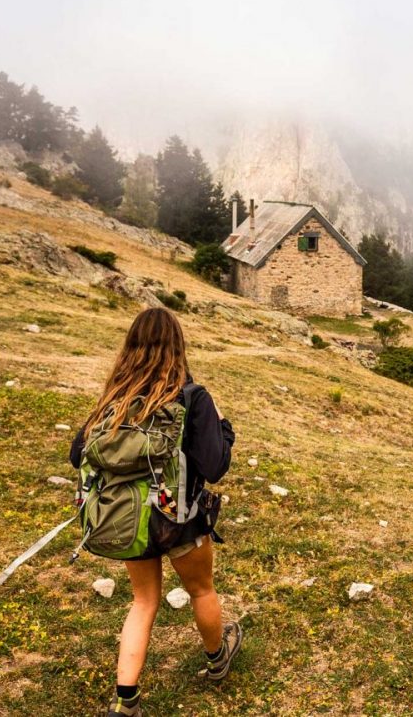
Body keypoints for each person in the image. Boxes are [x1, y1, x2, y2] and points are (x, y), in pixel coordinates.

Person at [69, 307, 241, 717]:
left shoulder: (115, 396)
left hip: (130, 520)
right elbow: (214, 466)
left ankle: (125, 701)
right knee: (201, 589)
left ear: (130, 347)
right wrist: (226, 428)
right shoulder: (191, 396)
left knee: (143, 601)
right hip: (179, 520)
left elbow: (78, 455)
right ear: (178, 346)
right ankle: (217, 658)